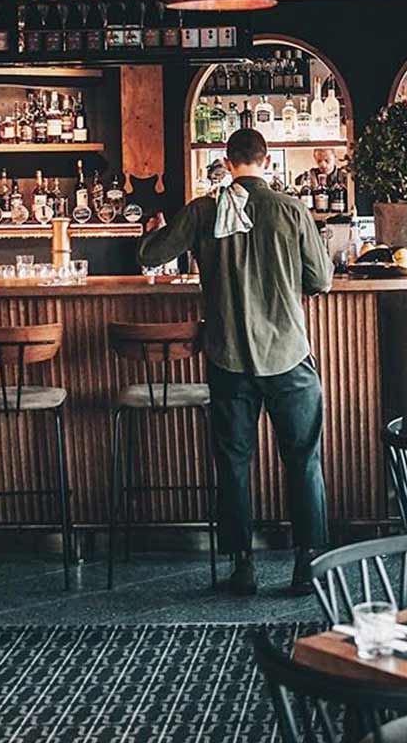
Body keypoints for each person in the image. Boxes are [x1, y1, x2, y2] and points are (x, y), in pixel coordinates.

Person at [138, 128, 334, 596]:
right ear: (267, 162)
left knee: (233, 463)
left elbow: (151, 256)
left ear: (227, 163)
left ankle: (242, 565)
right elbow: (321, 279)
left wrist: (152, 228)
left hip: (229, 359)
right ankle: (307, 565)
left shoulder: (204, 211)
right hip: (288, 356)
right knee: (304, 460)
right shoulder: (291, 209)